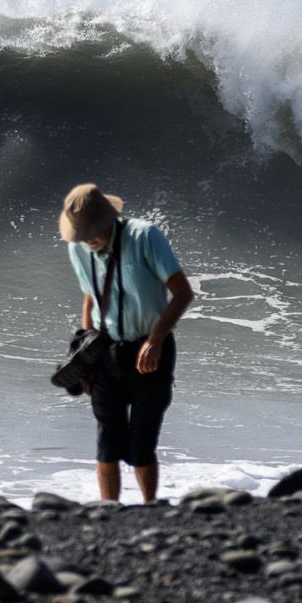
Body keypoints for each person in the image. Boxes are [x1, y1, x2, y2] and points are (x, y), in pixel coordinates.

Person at [58, 183, 194, 503]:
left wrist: (156, 340)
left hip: (151, 349)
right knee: (108, 442)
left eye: (91, 231)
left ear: (108, 220)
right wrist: (86, 352)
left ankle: (150, 507)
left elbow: (183, 293)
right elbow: (90, 297)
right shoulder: (78, 248)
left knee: (141, 445)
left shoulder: (145, 237)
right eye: (81, 233)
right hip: (106, 353)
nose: (87, 239)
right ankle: (109, 510)